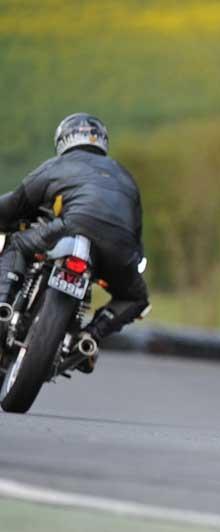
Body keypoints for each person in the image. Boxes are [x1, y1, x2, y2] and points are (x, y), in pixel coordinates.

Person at [0, 113, 150, 373]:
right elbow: (135, 232)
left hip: (71, 226)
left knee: (17, 244)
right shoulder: (125, 177)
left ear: (63, 140)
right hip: (119, 248)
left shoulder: (57, 165)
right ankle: (90, 336)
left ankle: (2, 303)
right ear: (103, 141)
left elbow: (16, 203)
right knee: (136, 298)